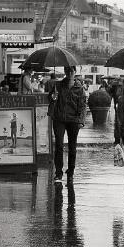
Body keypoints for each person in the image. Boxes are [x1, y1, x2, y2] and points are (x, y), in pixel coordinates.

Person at [48, 65, 87, 194]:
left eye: (72, 71)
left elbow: (82, 105)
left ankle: (70, 172)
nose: (70, 73)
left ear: (75, 72)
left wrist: (81, 120)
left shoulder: (79, 89)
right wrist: (53, 96)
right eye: (67, 70)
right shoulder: (58, 85)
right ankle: (58, 173)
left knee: (72, 147)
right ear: (65, 72)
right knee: (59, 145)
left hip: (73, 120)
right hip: (59, 119)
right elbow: (51, 99)